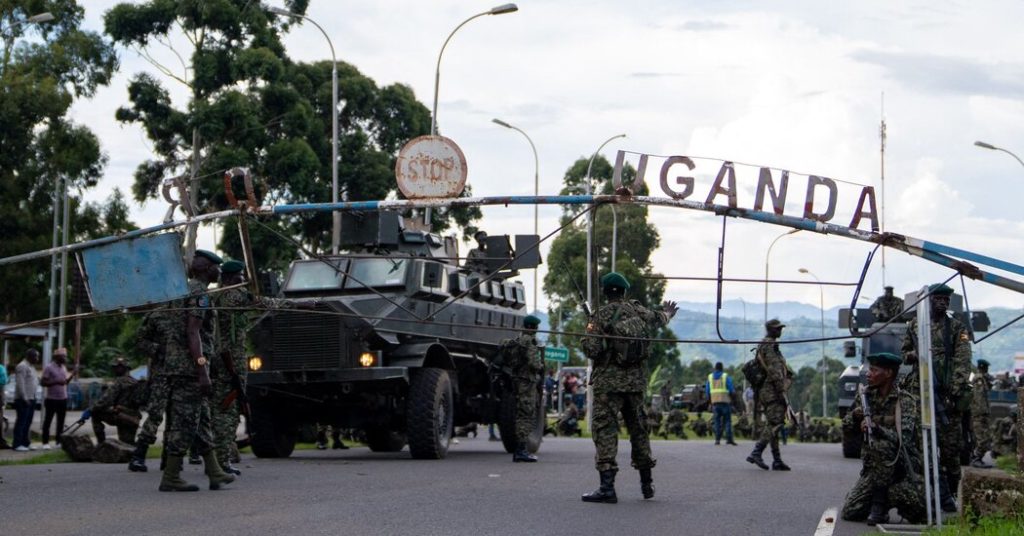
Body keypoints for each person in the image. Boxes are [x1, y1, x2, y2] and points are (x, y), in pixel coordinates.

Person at [580, 272, 677, 503]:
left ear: (606, 292)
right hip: (635, 383)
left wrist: (588, 337)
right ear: (624, 292)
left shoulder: (600, 315)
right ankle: (646, 484)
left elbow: (592, 350)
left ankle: (607, 488)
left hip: (608, 385)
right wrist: (668, 313)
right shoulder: (638, 311)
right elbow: (659, 318)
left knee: (605, 430)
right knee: (639, 431)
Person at [158, 249, 234, 492]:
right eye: (215, 266)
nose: (218, 271)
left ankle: (214, 472)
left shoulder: (181, 289)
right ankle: (171, 476)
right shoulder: (200, 293)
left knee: (201, 420)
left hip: (178, 365)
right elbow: (193, 331)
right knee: (185, 422)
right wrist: (202, 370)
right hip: (190, 369)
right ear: (206, 269)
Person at [900, 283, 971, 512]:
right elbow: (904, 354)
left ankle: (951, 494)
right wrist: (915, 354)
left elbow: (963, 360)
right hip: (921, 392)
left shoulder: (956, 327)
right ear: (929, 301)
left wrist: (955, 390)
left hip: (947, 396)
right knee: (922, 447)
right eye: (938, 299)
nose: (942, 303)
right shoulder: (914, 325)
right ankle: (927, 495)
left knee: (951, 450)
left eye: (946, 300)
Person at [841, 352, 925, 526]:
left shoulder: (904, 401)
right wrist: (855, 418)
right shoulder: (865, 396)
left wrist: (878, 429)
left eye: (874, 370)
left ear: (888, 373)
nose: (868, 374)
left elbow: (905, 441)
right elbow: (846, 428)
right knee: (850, 511)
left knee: (919, 513)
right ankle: (877, 502)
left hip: (901, 469)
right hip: (875, 469)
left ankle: (879, 505)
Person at [128, 303, 173, 472]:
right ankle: (139, 456)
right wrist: (158, 350)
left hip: (181, 373)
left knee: (176, 417)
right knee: (155, 414)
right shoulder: (156, 315)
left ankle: (169, 459)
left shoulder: (187, 313)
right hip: (161, 374)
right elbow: (140, 340)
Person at [746, 319, 794, 471]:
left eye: (780, 328)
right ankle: (756, 452)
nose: (780, 330)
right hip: (771, 390)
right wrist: (781, 390)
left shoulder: (768, 345)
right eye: (777, 328)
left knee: (774, 424)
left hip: (768, 390)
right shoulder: (769, 346)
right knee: (775, 422)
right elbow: (775, 372)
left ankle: (777, 460)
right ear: (770, 329)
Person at [496, 314, 544, 462]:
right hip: (527, 382)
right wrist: (541, 364)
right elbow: (534, 364)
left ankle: (520, 449)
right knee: (526, 415)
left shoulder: (516, 341)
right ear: (533, 327)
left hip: (517, 381)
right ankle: (521, 450)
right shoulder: (529, 342)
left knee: (520, 413)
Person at [91, 358, 144, 444]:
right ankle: (137, 454)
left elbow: (106, 401)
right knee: (128, 445)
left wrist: (91, 409)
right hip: (134, 418)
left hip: (121, 416)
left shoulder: (119, 381)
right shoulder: (135, 382)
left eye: (117, 367)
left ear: (124, 368)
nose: (115, 369)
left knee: (95, 413)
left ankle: (101, 445)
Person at [40, 347, 74, 449]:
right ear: (57, 357)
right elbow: (43, 382)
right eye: (63, 356)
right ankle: (45, 442)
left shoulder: (63, 368)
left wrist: (72, 375)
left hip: (63, 398)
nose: (65, 358)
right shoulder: (49, 367)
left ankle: (58, 441)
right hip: (51, 399)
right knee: (48, 421)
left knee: (61, 421)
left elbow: (65, 382)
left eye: (65, 356)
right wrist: (56, 382)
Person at [13, 349, 40, 451]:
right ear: (30, 356)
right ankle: (17, 444)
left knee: (28, 422)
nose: (37, 359)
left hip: (31, 398)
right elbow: (20, 383)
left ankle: (25, 443)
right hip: (23, 399)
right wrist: (24, 398)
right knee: (21, 422)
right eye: (36, 356)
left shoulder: (31, 367)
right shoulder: (22, 366)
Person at [969, 359, 993, 468]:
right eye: (987, 367)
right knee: (982, 438)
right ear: (983, 367)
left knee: (984, 437)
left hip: (981, 413)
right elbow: (978, 398)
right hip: (979, 414)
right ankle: (976, 458)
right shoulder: (979, 378)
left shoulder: (982, 378)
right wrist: (982, 413)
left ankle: (978, 457)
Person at [707, 362, 737, 446]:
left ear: (715, 368)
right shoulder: (725, 376)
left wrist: (710, 402)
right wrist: (733, 400)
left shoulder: (710, 377)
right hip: (725, 402)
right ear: (722, 368)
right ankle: (729, 439)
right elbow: (732, 390)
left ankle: (717, 440)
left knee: (717, 422)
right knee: (727, 421)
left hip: (715, 403)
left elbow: (707, 391)